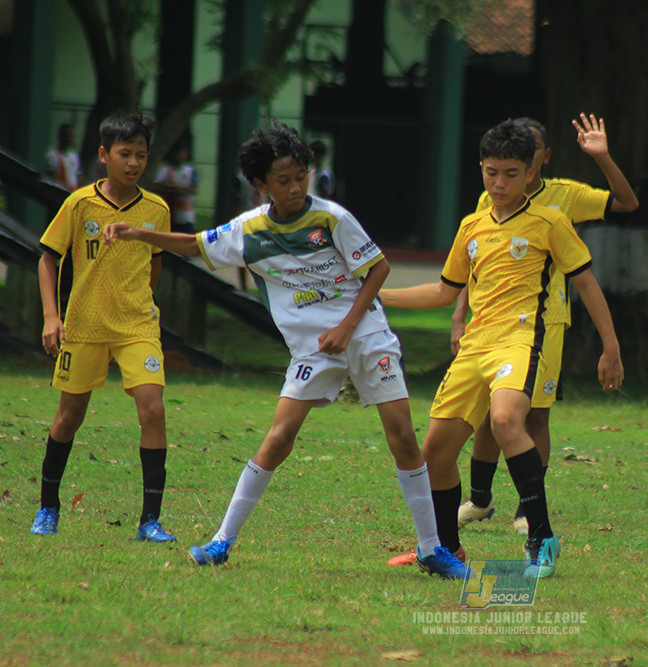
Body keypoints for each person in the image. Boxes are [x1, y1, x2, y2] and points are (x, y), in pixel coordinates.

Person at [103, 122, 465, 578]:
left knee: (404, 438)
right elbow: (196, 245)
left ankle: (431, 549)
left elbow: (378, 269)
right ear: (260, 186)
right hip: (314, 350)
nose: (296, 188)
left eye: (301, 177)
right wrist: (141, 235)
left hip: (367, 335)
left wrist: (347, 325)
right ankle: (221, 542)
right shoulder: (249, 231)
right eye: (284, 180)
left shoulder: (332, 218)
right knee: (278, 438)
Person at [380, 119, 625, 578]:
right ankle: (450, 550)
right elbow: (441, 290)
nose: (499, 182)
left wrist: (610, 347)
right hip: (476, 346)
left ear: (531, 173)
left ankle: (541, 539)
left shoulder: (550, 221)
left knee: (507, 419)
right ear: (481, 168)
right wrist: (378, 296)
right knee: (435, 452)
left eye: (511, 173)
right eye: (491, 172)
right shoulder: (471, 226)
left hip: (520, 339)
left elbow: (587, 284)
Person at [450, 114, 639, 535]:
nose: (511, 171)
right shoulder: (490, 200)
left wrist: (604, 158)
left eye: (528, 156)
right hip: (490, 323)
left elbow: (626, 203)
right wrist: (459, 316)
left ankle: (526, 509)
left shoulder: (563, 199)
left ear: (541, 160)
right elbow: (474, 262)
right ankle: (480, 500)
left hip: (544, 322)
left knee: (532, 417)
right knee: (488, 416)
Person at [31, 113, 175, 543]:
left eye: (141, 155)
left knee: (153, 410)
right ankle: (47, 508)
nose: (133, 163)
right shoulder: (79, 204)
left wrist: (140, 303)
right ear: (104, 155)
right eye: (124, 154)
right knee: (68, 417)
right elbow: (47, 257)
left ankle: (150, 520)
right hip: (85, 325)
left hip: (137, 326)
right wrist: (52, 316)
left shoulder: (157, 210)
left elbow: (155, 265)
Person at [151, 137, 199, 233]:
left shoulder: (190, 170)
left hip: (185, 215)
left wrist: (180, 190)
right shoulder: (165, 169)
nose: (178, 157)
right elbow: (156, 186)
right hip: (169, 213)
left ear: (186, 154)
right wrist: (174, 189)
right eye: (176, 153)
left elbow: (194, 190)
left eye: (180, 153)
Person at [45, 123, 82, 190]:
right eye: (66, 136)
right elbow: (53, 178)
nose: (69, 139)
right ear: (60, 136)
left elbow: (79, 176)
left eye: (71, 136)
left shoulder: (74, 156)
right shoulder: (52, 155)